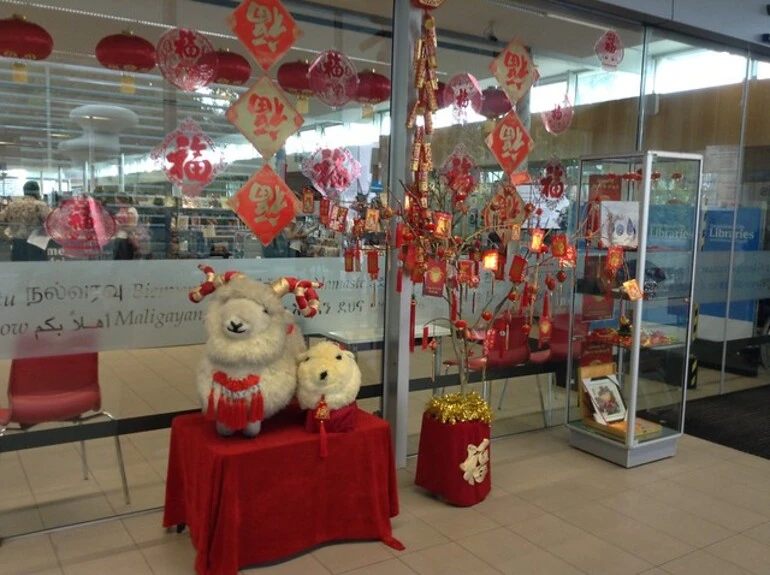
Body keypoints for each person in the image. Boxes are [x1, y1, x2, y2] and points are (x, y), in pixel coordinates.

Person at [0, 181, 50, 261]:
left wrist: (6, 237)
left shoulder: (13, 205)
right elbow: (52, 222)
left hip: (18, 245)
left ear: (24, 191)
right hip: (36, 245)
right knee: (39, 271)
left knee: (19, 271)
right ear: (37, 191)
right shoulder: (40, 205)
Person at [113, 193, 139, 260]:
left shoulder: (131, 210)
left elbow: (131, 227)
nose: (116, 203)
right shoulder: (122, 210)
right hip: (119, 239)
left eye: (117, 201)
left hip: (125, 240)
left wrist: (120, 226)